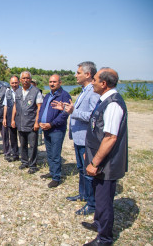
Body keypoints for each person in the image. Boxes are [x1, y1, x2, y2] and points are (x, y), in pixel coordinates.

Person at [82, 68, 128, 246]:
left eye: (94, 79)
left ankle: (105, 238)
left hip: (106, 164)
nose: (92, 82)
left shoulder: (113, 104)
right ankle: (99, 224)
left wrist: (94, 162)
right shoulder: (104, 101)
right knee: (99, 197)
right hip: (100, 161)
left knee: (104, 200)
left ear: (104, 83)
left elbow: (110, 138)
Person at [52, 61, 100, 215]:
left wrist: (73, 111)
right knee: (81, 168)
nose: (75, 75)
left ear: (87, 74)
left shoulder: (92, 91)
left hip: (87, 138)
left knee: (88, 171)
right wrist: (66, 108)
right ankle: (83, 194)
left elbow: (94, 116)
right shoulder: (84, 90)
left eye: (78, 72)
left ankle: (92, 204)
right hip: (79, 138)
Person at [38, 74, 71, 187]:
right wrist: (40, 121)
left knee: (56, 154)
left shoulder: (64, 95)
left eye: (54, 82)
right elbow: (42, 109)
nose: (52, 84)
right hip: (46, 128)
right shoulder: (47, 96)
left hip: (56, 130)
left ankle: (56, 177)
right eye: (50, 81)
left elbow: (64, 114)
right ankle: (52, 172)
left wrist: (51, 124)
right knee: (50, 153)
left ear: (60, 83)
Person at [11, 71, 43, 174]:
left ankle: (33, 165)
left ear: (30, 79)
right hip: (20, 123)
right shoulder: (18, 92)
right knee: (23, 143)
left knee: (33, 145)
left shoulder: (36, 91)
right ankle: (24, 162)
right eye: (23, 78)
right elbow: (15, 106)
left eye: (27, 78)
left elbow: (39, 108)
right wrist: (12, 119)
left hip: (31, 123)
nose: (25, 80)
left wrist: (37, 122)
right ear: (20, 80)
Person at [3, 75, 20, 162]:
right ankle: (15, 154)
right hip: (10, 117)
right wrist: (4, 118)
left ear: (19, 82)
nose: (14, 84)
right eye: (12, 83)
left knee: (22, 138)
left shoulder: (22, 91)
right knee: (12, 138)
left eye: (16, 82)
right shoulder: (8, 92)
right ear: (10, 83)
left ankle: (25, 156)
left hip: (21, 118)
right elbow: (5, 105)